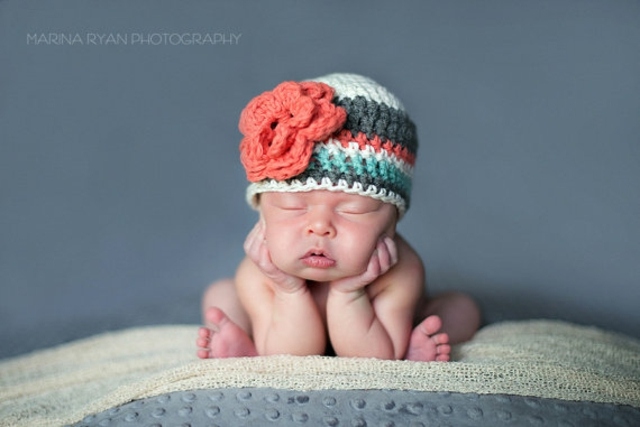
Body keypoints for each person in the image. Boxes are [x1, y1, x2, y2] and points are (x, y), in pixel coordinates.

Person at [196, 73, 481, 361]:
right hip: (281, 332)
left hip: (375, 334)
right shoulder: (260, 272)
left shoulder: (399, 270)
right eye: (293, 206)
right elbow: (287, 356)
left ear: (393, 221)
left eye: (352, 210)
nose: (319, 227)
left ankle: (412, 345)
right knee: (222, 294)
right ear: (262, 213)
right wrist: (289, 291)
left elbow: (374, 358)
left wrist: (350, 293)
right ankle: (246, 343)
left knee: (461, 308)